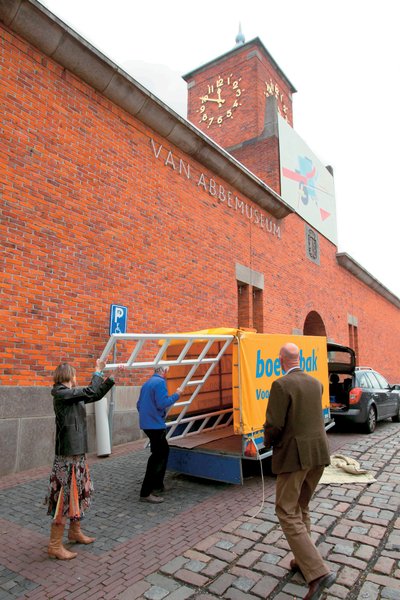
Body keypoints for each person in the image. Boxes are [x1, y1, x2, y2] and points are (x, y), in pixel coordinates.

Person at [263, 343, 336, 600]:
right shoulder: (316, 383)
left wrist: (265, 443)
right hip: (318, 454)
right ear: (299, 359)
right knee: (302, 507)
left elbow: (274, 424)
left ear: (281, 359)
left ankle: (317, 572)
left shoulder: (281, 385)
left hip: (295, 457)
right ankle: (302, 561)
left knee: (285, 510)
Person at [45, 358, 121, 560]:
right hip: (67, 456)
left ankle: (74, 531)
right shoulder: (61, 393)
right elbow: (89, 391)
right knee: (64, 496)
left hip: (77, 452)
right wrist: (97, 371)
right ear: (68, 375)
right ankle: (54, 545)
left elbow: (94, 394)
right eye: (75, 374)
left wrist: (110, 379)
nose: (76, 378)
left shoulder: (72, 395)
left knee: (78, 491)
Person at [137, 366, 182, 503]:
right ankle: (145, 493)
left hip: (147, 424)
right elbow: (163, 403)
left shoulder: (147, 383)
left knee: (163, 451)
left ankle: (158, 485)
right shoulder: (160, 382)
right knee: (157, 457)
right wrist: (177, 394)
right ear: (164, 372)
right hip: (155, 426)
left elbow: (138, 405)